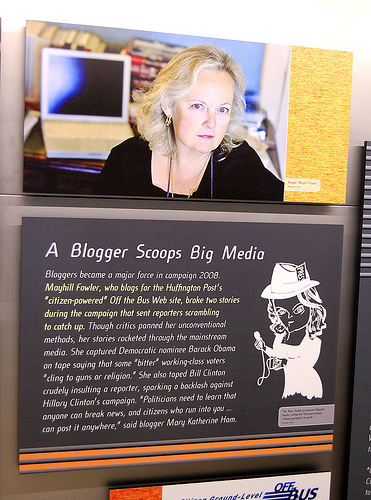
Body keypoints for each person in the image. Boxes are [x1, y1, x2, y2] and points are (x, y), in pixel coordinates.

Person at [93, 44, 284, 201]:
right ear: (168, 105)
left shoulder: (242, 166)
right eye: (198, 106)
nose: (211, 123)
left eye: (222, 109)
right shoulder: (125, 159)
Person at [254, 262, 327, 399]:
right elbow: (277, 353)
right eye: (281, 311)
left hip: (307, 386)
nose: (290, 318)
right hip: (289, 383)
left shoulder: (313, 341)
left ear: (310, 307)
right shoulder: (281, 336)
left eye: (298, 310)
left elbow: (306, 365)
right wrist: (264, 348)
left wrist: (283, 363)